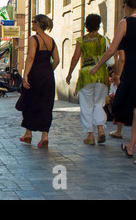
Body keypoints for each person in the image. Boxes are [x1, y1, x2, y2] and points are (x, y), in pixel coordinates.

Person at [90, 0, 136, 163]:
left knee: (121, 107)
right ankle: (131, 147)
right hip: (131, 72)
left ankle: (131, 146)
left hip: (132, 73)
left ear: (129, 6)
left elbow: (112, 50)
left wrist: (97, 66)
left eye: (124, 5)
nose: (123, 8)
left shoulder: (125, 23)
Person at [16, 14, 60, 148]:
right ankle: (44, 136)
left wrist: (25, 75)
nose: (32, 24)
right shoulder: (51, 40)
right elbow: (57, 60)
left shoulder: (33, 39)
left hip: (35, 74)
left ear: (39, 24)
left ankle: (28, 133)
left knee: (29, 102)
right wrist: (49, 70)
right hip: (47, 76)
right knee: (46, 105)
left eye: (33, 22)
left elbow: (30, 57)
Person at [66, 14, 110, 145]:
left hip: (86, 75)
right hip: (101, 74)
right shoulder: (104, 40)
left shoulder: (81, 40)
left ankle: (90, 135)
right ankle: (100, 129)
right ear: (99, 25)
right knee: (99, 103)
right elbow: (113, 54)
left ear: (86, 25)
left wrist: (69, 74)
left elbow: (75, 58)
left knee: (86, 105)